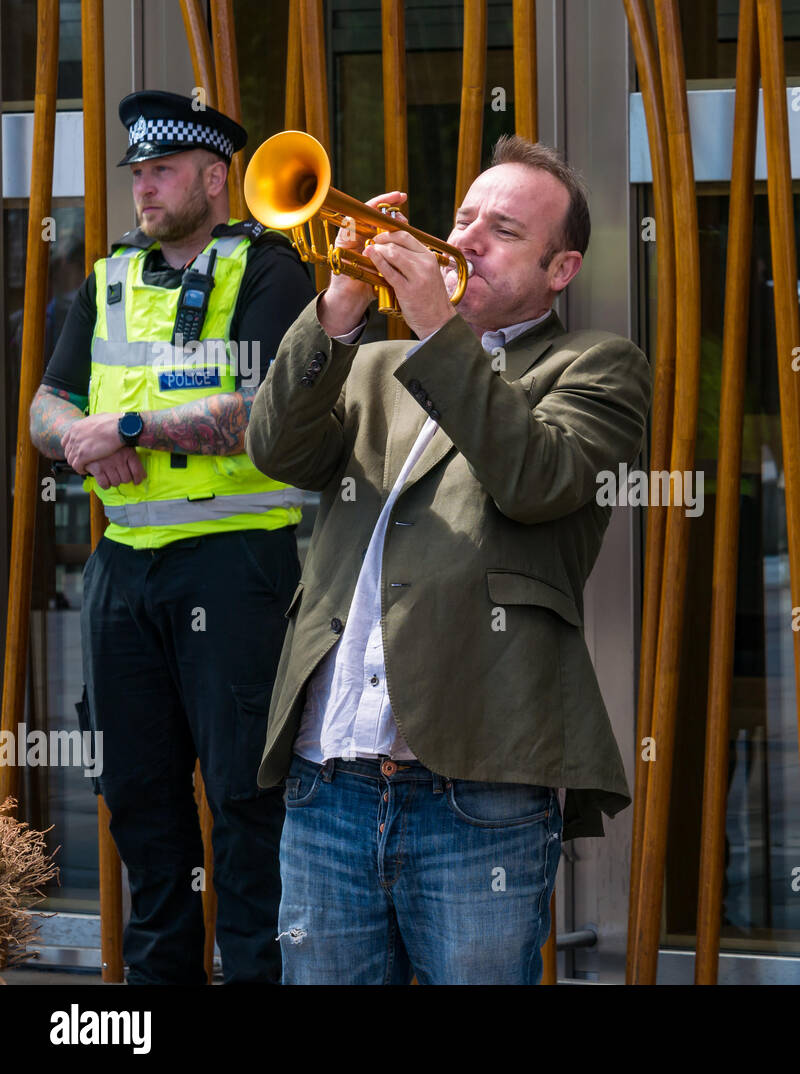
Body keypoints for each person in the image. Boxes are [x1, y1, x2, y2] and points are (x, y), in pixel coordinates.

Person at [244, 135, 651, 985]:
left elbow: (536, 478)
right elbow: (276, 450)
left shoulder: (596, 366)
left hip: (479, 789)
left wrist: (435, 325)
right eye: (463, 217)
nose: (464, 240)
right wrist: (340, 308)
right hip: (331, 776)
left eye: (502, 230)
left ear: (561, 268)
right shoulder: (375, 365)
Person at [29, 91, 316, 983]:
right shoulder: (108, 277)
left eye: (160, 172)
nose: (144, 189)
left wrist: (128, 431)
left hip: (235, 568)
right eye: (138, 173)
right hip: (124, 574)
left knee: (246, 803)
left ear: (214, 178)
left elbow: (263, 410)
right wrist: (75, 436)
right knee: (141, 804)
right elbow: (47, 402)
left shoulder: (270, 270)